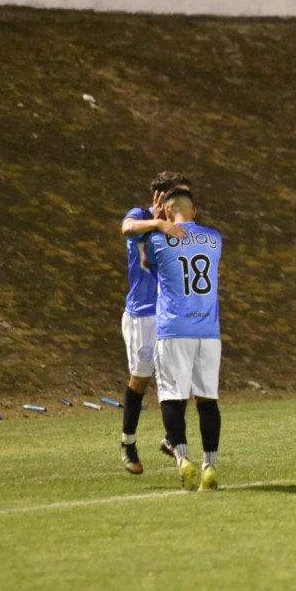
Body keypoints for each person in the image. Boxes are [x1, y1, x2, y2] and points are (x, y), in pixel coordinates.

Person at [145, 188, 224, 491]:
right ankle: (211, 466)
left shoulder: (157, 239)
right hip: (208, 331)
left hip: (174, 329)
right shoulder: (215, 238)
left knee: (172, 397)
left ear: (167, 212)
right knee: (207, 400)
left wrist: (154, 221)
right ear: (195, 210)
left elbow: (147, 257)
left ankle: (183, 459)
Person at [118, 171, 189, 474]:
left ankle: (173, 439)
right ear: (161, 198)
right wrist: (158, 223)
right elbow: (127, 228)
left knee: (177, 378)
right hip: (141, 313)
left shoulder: (178, 228)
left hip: (168, 314)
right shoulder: (140, 216)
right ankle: (128, 442)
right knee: (141, 378)